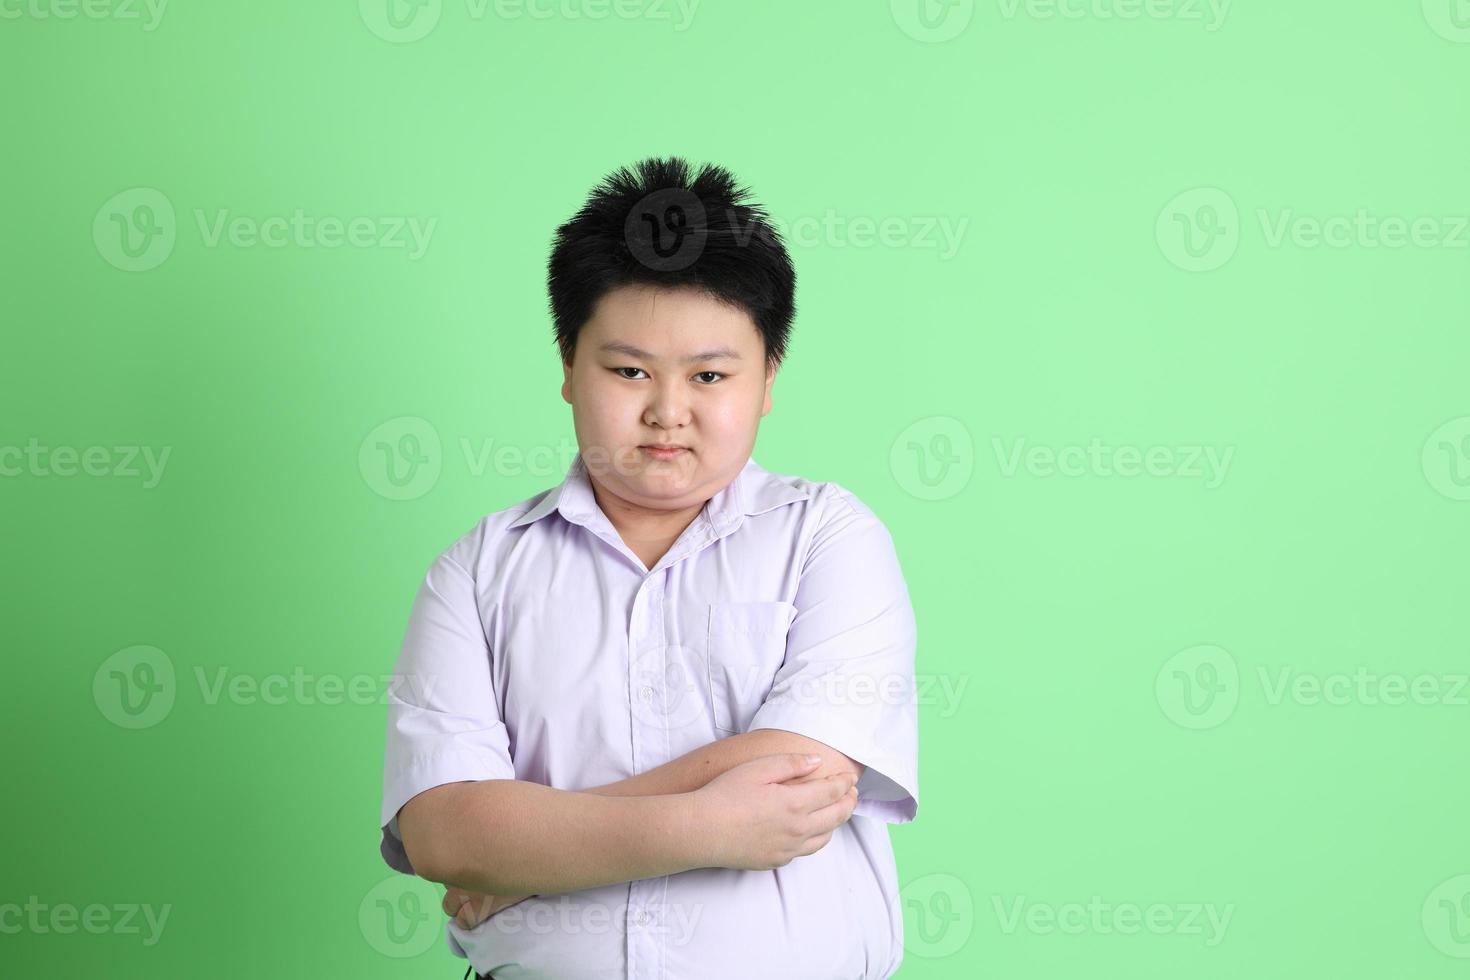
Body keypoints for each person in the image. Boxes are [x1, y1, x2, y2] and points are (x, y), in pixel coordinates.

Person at [378, 157, 919, 979]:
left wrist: (522, 851)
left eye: (709, 375)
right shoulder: (478, 571)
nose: (668, 410)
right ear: (567, 365)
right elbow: (442, 835)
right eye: (629, 370)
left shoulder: (829, 537)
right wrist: (710, 824)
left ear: (768, 377)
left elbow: (804, 777)